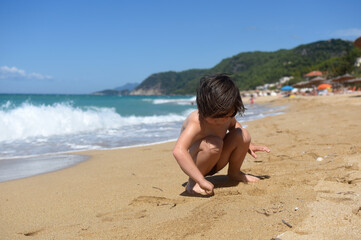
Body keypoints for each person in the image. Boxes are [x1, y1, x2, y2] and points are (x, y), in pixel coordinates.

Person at [173, 74, 270, 196]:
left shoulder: (227, 116)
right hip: (196, 164)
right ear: (202, 108)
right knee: (214, 143)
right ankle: (193, 182)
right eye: (214, 118)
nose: (221, 121)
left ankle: (235, 173)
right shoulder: (196, 121)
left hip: (218, 159)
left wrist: (249, 144)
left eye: (226, 116)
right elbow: (179, 150)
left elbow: (236, 127)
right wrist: (200, 180)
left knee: (243, 133)